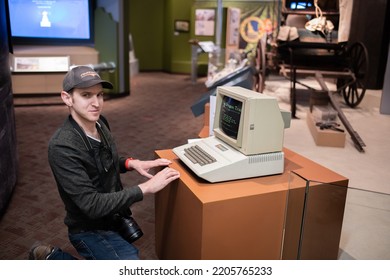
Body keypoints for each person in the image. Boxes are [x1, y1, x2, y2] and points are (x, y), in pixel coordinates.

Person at [29, 66, 180, 260]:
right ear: (67, 98)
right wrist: (146, 188)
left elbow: (103, 161)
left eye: (99, 95)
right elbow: (91, 205)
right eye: (86, 95)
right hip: (89, 228)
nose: (96, 103)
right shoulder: (62, 146)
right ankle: (52, 258)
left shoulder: (100, 123)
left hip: (114, 215)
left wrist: (131, 164)